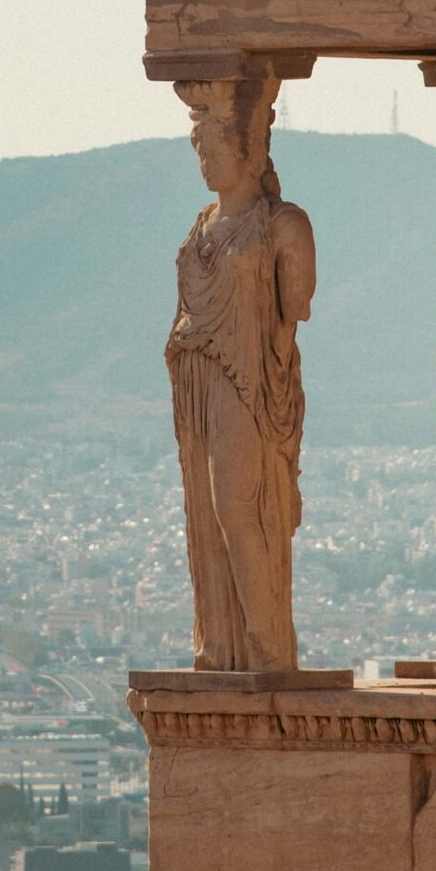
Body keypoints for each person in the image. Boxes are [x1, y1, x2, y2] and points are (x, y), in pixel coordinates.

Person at [166, 68, 315, 670]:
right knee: (205, 513)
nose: (203, 160)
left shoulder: (283, 225)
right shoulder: (200, 225)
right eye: (197, 148)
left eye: (213, 146)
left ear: (247, 149)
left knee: (237, 507)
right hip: (197, 380)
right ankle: (223, 644)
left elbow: (294, 308)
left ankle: (267, 644)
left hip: (247, 383)